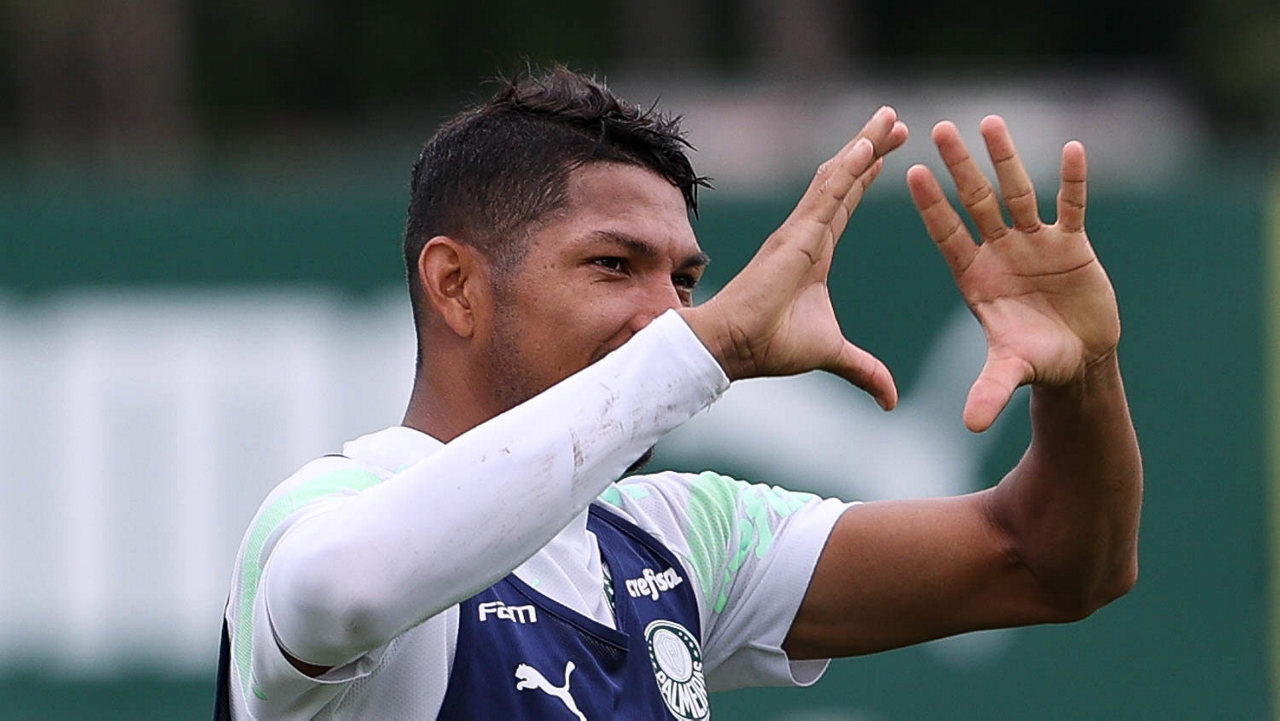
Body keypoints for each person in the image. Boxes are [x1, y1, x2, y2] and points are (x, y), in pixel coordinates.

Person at [216, 66, 1141, 719]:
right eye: (613, 264)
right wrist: (704, 350)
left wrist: (1085, 375)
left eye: (687, 281)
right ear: (456, 285)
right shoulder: (329, 510)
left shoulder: (674, 537)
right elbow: (345, 592)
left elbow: (1046, 560)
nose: (669, 315)